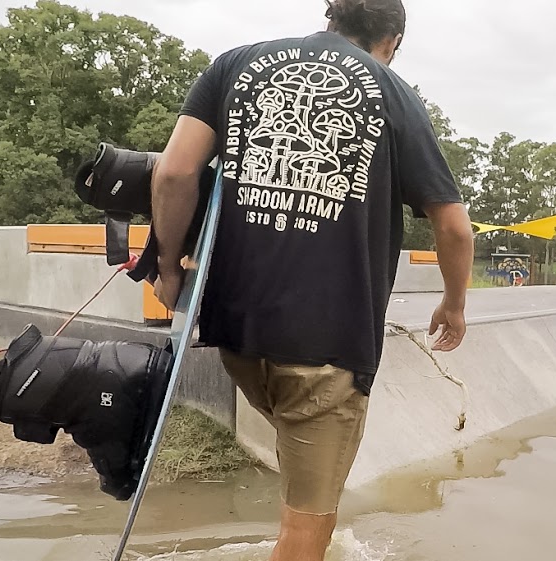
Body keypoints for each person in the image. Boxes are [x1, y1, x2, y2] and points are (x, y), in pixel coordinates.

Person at [149, 1, 474, 559]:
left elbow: (175, 172)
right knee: (308, 526)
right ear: (392, 39)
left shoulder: (234, 66)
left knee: (296, 465)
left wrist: (167, 267)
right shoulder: (393, 93)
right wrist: (454, 303)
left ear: (331, 16)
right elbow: (455, 228)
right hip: (327, 345)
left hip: (238, 331)